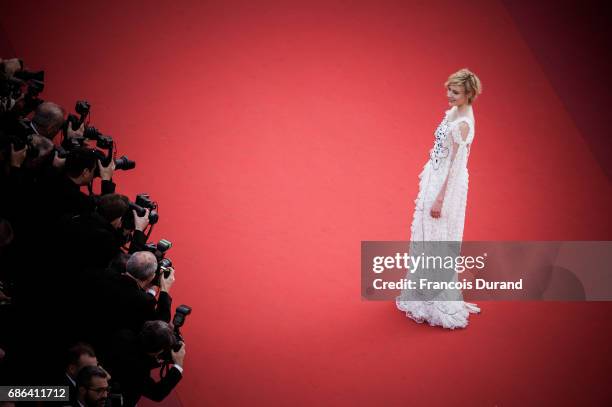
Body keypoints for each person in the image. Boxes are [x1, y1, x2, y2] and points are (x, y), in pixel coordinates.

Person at [396, 68, 482, 329]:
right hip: (435, 177)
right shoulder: (454, 112)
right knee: (426, 236)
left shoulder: (464, 124)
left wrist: (440, 200)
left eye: (455, 92)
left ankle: (436, 300)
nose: (449, 95)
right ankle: (422, 291)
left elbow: (456, 165)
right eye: (448, 89)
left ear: (468, 94)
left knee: (437, 238)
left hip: (446, 185)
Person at [105, 321, 185, 407]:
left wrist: (164, 331)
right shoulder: (138, 370)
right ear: (159, 351)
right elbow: (157, 393)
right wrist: (178, 365)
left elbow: (140, 355)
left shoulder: (123, 335)